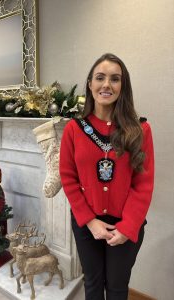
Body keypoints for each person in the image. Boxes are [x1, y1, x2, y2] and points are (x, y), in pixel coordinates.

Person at [59, 53, 154, 300]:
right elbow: (68, 178)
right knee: (91, 283)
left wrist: (127, 227)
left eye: (115, 79)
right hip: (86, 223)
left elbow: (143, 184)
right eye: (100, 78)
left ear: (123, 86)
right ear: (90, 84)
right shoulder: (74, 129)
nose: (106, 85)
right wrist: (90, 221)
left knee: (117, 287)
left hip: (125, 225)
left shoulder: (140, 130)